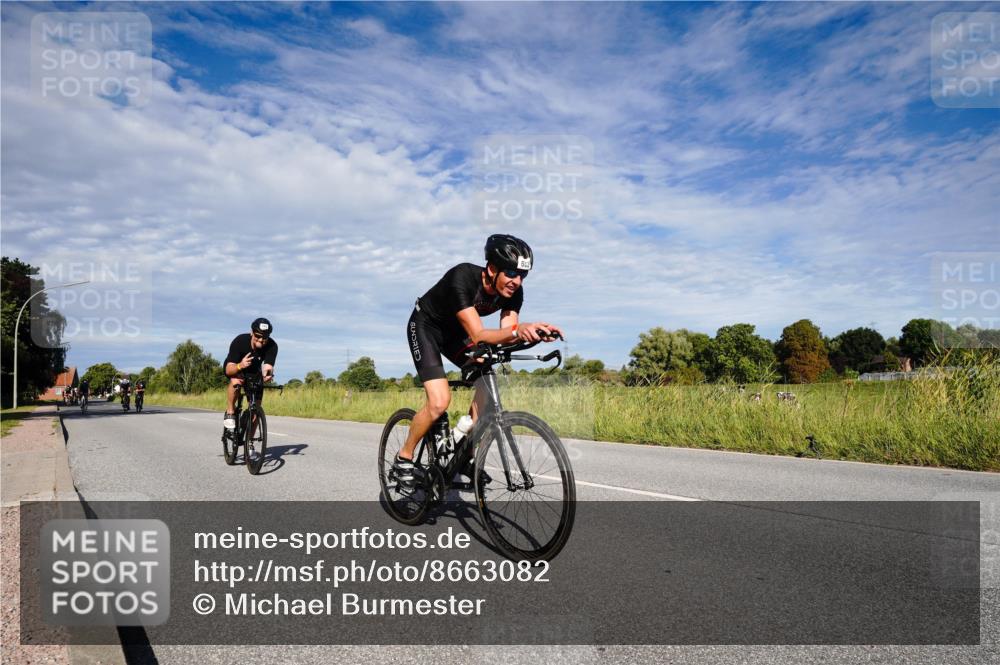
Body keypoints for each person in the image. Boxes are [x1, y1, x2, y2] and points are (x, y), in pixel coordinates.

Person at [393, 234, 562, 485]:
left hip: (456, 334)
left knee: (487, 384)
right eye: (511, 273)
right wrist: (517, 330)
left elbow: (507, 333)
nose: (517, 281)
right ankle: (403, 458)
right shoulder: (461, 278)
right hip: (426, 327)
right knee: (439, 402)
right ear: (492, 268)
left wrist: (533, 335)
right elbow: (480, 334)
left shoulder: (514, 293)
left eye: (523, 275)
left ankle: (466, 455)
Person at [223, 317, 278, 430]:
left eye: (265, 337)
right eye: (257, 336)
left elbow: (268, 366)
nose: (261, 340)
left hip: (254, 372)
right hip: (236, 368)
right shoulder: (240, 341)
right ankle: (230, 411)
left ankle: (250, 442)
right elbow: (228, 369)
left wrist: (268, 374)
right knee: (236, 381)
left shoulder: (272, 346)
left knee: (255, 414)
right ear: (252, 333)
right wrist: (240, 365)